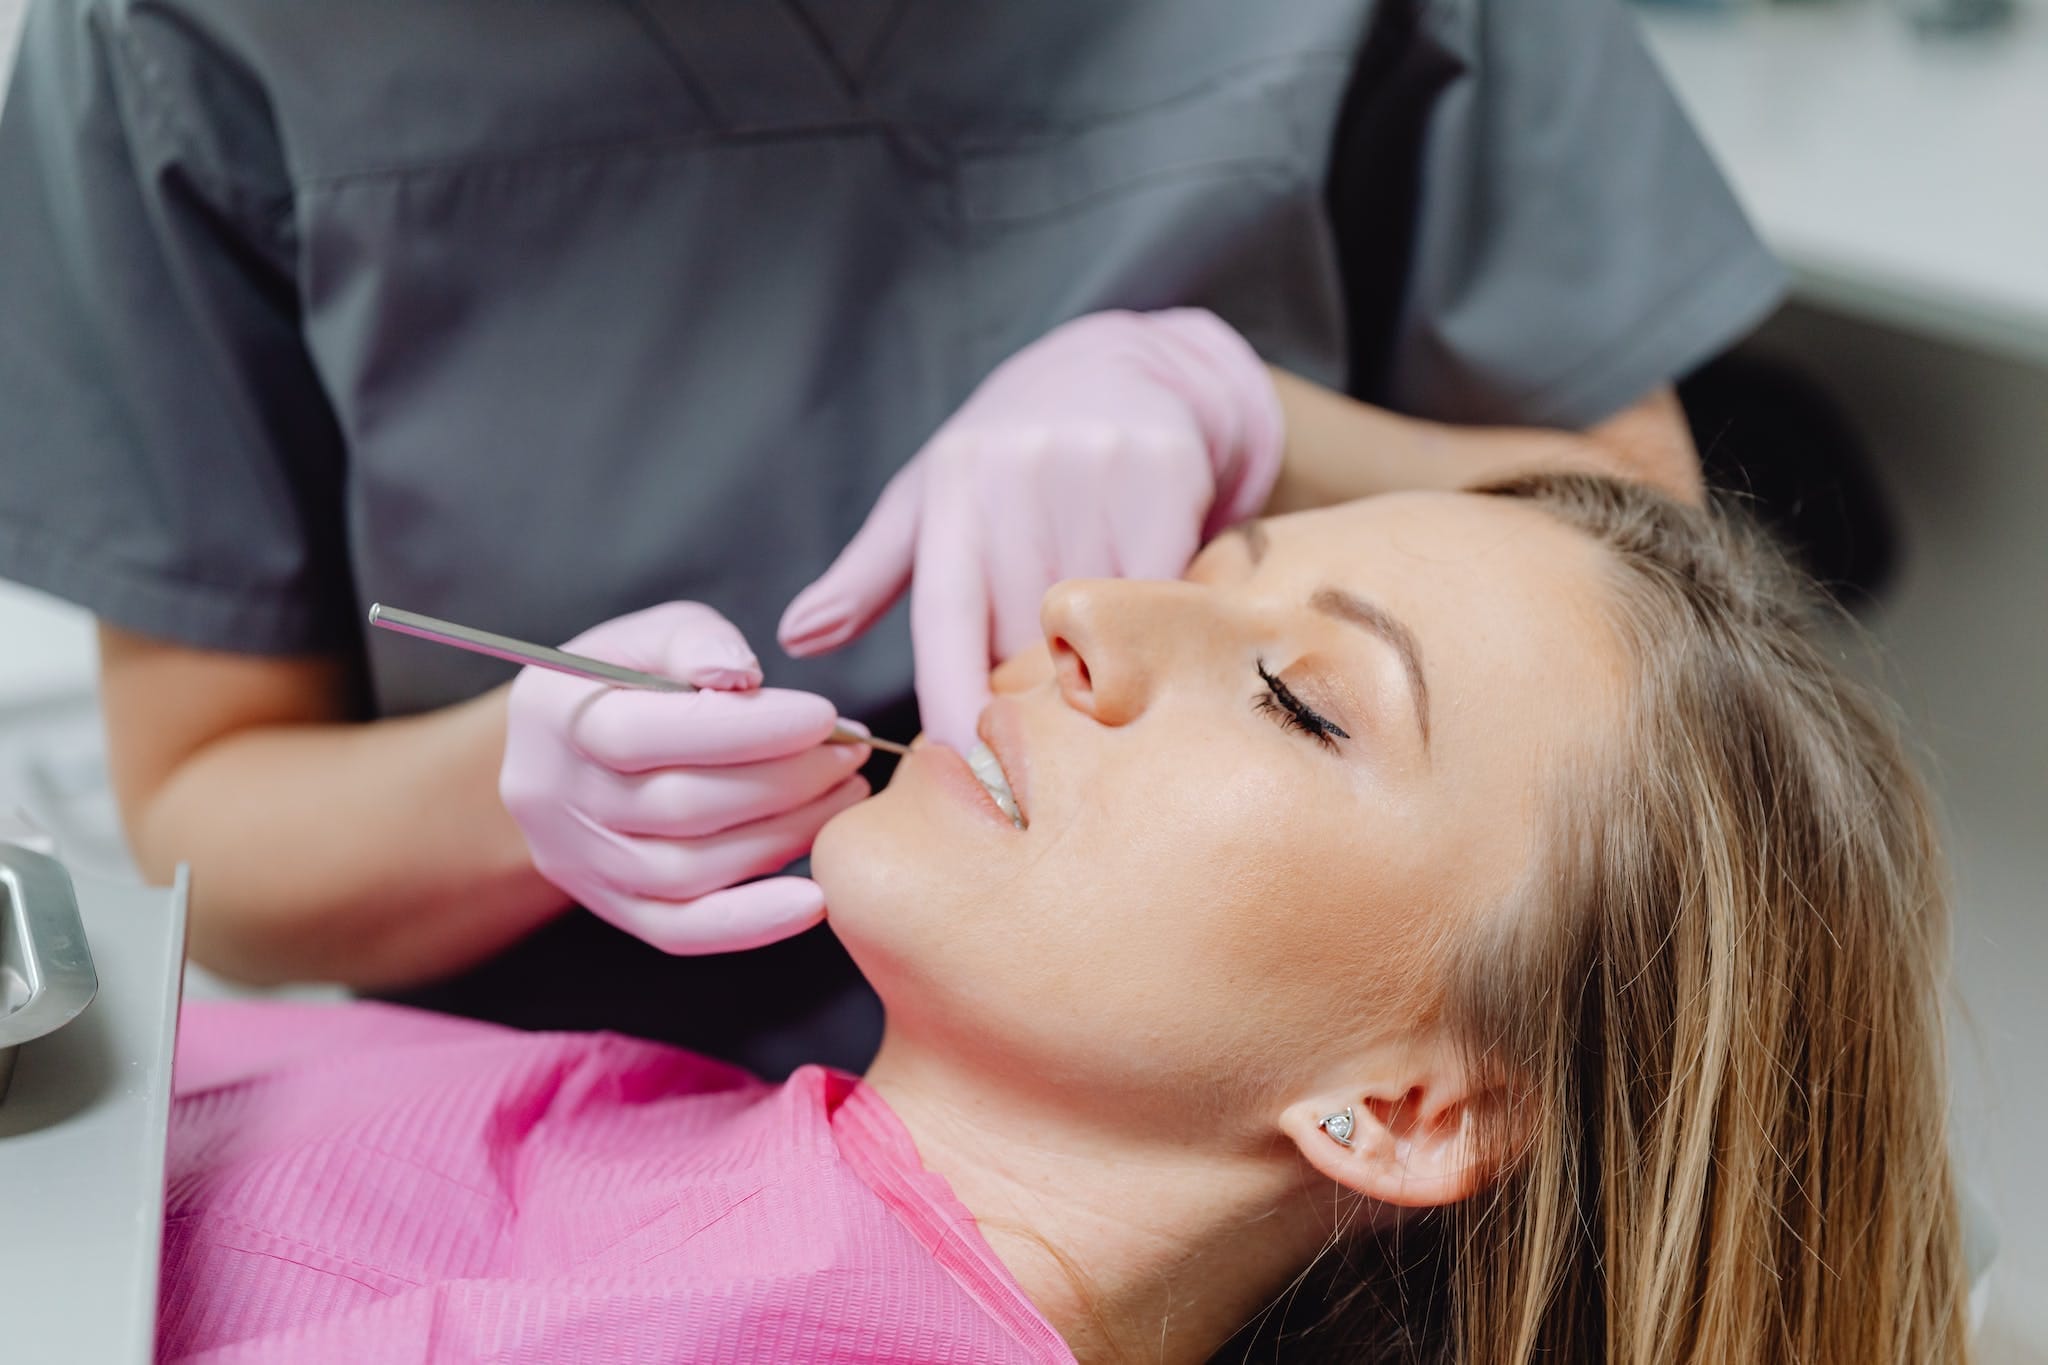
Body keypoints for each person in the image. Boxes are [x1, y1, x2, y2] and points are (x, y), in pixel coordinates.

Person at [0, 0, 1786, 1072]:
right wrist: (513, 795)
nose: (1059, 649)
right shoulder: (194, 42)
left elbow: (1654, 600)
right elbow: (204, 811)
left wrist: (1258, 426)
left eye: (1297, 685)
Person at [156, 477, 1966, 1364]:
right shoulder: (769, 1179)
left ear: (1406, 1103)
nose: (1093, 604)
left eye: (1298, 698)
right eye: (1199, 567)